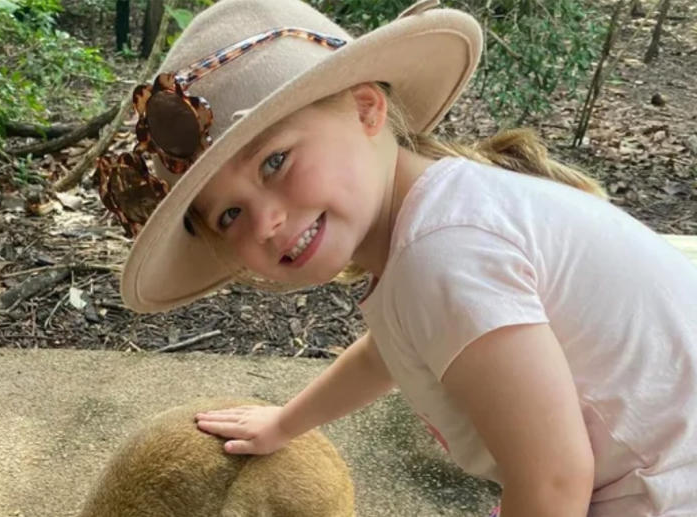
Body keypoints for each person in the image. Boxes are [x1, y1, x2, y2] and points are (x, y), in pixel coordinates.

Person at [95, 0, 697, 515]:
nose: (267, 220)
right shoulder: (432, 223)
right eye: (230, 215)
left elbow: (555, 482)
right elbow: (393, 350)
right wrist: (287, 422)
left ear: (365, 110)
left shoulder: (444, 252)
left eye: (275, 161)